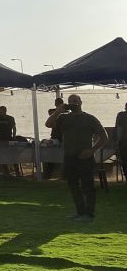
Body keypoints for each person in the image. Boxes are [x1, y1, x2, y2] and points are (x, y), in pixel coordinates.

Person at [46, 94, 108, 222]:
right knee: (73, 185)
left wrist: (92, 150)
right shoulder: (63, 117)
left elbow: (104, 136)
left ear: (81, 102)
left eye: (75, 101)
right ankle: (80, 212)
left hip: (85, 157)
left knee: (87, 186)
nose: (73, 103)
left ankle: (89, 214)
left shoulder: (89, 118)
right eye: (70, 101)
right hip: (69, 156)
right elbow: (48, 124)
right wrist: (58, 111)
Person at [116, 102, 127, 182]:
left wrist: (117, 141)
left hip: (123, 142)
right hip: (123, 142)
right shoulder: (121, 115)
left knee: (125, 162)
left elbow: (119, 129)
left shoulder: (121, 115)